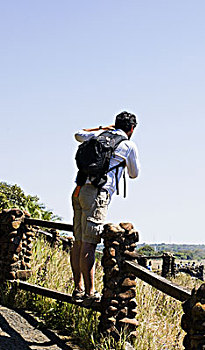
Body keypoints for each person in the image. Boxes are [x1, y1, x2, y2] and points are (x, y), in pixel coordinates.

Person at [70, 111, 140, 305]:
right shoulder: (128, 145)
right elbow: (134, 174)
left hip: (78, 189)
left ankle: (78, 289)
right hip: (97, 194)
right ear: (132, 129)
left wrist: (102, 128)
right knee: (89, 243)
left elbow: (78, 134)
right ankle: (90, 293)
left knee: (78, 241)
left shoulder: (98, 136)